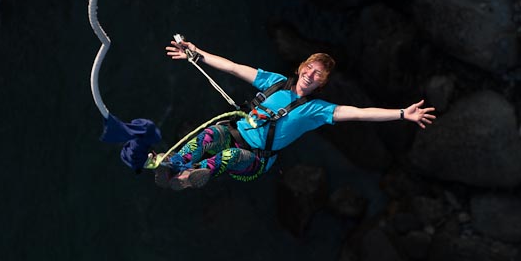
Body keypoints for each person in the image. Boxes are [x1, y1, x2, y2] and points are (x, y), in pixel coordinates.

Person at [155, 39, 436, 190]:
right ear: (301, 67)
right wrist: (196, 53)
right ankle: (173, 165)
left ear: (321, 84)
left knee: (227, 157)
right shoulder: (274, 81)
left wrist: (401, 114)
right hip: (235, 133)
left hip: (255, 161)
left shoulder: (316, 111)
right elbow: (233, 67)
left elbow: (360, 113)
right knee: (211, 135)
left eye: (318, 76)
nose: (311, 75)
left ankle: (186, 178)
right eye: (309, 69)